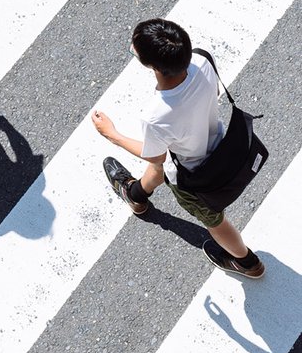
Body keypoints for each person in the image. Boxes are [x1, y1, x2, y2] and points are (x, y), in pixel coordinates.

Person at [91, 18, 264, 279]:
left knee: (214, 221)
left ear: (152, 66)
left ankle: (247, 262)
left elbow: (156, 157)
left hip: (196, 176)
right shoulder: (203, 59)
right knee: (170, 163)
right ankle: (136, 195)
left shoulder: (156, 116)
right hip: (217, 142)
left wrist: (112, 135)